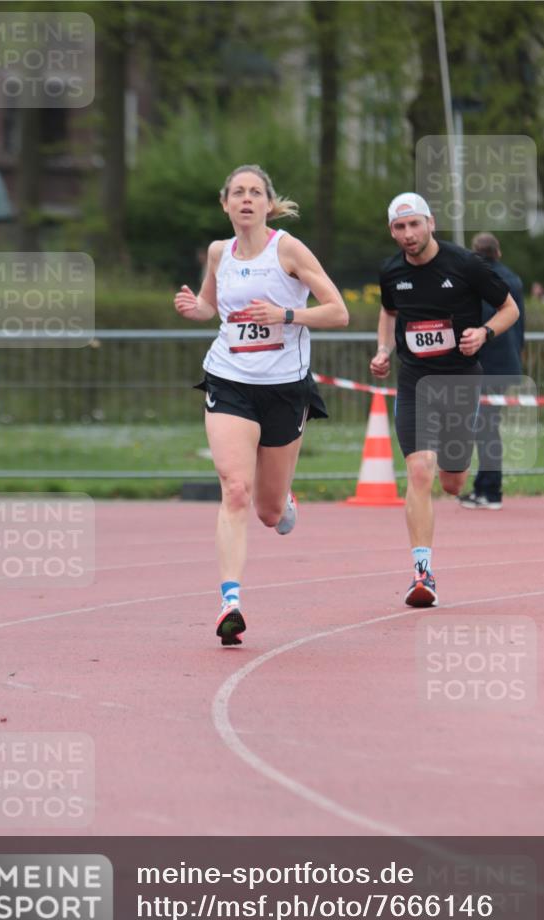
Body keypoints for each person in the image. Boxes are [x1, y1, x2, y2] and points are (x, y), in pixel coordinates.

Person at [174, 164, 349, 645]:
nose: (247, 199)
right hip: (229, 380)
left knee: (269, 512)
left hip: (284, 388)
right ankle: (230, 600)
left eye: (256, 193)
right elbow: (213, 307)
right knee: (234, 488)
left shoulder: (286, 249)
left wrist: (286, 314)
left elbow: (338, 311)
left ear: (268, 204)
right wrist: (197, 310)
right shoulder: (218, 253)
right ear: (225, 203)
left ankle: (284, 498)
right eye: (238, 192)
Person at [369, 193, 519, 608]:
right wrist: (383, 349)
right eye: (399, 228)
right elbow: (388, 311)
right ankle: (422, 573)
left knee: (452, 481)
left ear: (430, 222)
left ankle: (456, 474)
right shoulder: (391, 271)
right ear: (392, 232)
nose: (408, 234)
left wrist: (485, 333)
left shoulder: (465, 264)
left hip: (460, 381)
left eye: (414, 224)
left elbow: (509, 309)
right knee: (419, 471)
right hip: (416, 380)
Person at [458, 232, 525, 510]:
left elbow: (477, 324)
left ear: (475, 252)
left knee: (485, 428)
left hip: (486, 364)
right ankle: (485, 487)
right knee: (487, 427)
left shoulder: (477, 280)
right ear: (498, 252)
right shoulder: (514, 279)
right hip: (507, 362)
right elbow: (519, 322)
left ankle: (490, 490)